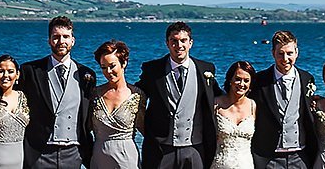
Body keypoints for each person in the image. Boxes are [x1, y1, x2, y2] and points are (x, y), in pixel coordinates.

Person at [139, 21, 218, 169]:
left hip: (195, 147)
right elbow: (136, 94)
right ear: (167, 43)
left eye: (183, 41)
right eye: (174, 41)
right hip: (162, 148)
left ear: (190, 43)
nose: (179, 45)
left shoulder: (205, 69)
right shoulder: (152, 70)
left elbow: (218, 96)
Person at [21, 15, 98, 169]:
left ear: (73, 41)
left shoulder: (86, 75)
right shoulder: (30, 71)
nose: (61, 41)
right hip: (40, 152)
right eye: (56, 37)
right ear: (49, 40)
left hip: (74, 152)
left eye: (65, 37)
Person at [252, 29, 319, 169]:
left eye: (289, 53)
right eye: (280, 54)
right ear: (273, 53)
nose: (285, 59)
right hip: (269, 156)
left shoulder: (307, 78)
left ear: (297, 53)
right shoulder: (259, 80)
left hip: (300, 155)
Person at [90, 39, 143, 169]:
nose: (108, 71)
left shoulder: (136, 95)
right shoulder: (94, 94)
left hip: (127, 159)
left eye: (112, 66)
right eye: (103, 67)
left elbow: (146, 129)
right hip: (99, 159)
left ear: (123, 63)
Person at [210, 60, 258, 169]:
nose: (241, 84)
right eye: (237, 79)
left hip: (246, 165)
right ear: (230, 80)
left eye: (246, 80)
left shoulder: (252, 105)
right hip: (220, 164)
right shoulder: (216, 104)